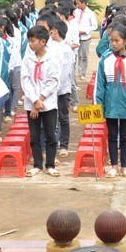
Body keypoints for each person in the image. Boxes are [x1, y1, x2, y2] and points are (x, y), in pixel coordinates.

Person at [95, 24, 126, 179]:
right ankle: (114, 166)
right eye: (111, 41)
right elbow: (99, 86)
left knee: (125, 137)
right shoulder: (105, 61)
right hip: (110, 106)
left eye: (117, 40)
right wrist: (98, 108)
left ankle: (125, 166)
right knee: (112, 136)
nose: (113, 43)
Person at [21, 26, 61, 177]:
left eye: (33, 41)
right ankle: (37, 164)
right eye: (29, 41)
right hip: (32, 103)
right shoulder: (27, 59)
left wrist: (41, 98)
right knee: (35, 135)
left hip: (48, 103)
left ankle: (50, 164)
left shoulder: (52, 59)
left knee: (51, 135)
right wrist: (34, 100)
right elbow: (25, 81)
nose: (30, 44)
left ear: (43, 42)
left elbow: (53, 81)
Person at [52, 20, 73, 158]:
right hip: (50, 90)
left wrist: (54, 88)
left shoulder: (66, 50)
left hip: (62, 90)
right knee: (52, 119)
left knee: (63, 117)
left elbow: (64, 73)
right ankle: (53, 143)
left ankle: (64, 145)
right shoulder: (50, 47)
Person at [74, 0, 98, 80]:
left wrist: (85, 31)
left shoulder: (90, 13)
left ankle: (83, 72)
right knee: (76, 54)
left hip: (85, 37)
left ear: (83, 3)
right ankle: (77, 71)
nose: (77, 5)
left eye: (78, 3)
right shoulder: (76, 12)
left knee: (84, 55)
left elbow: (94, 26)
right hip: (76, 37)